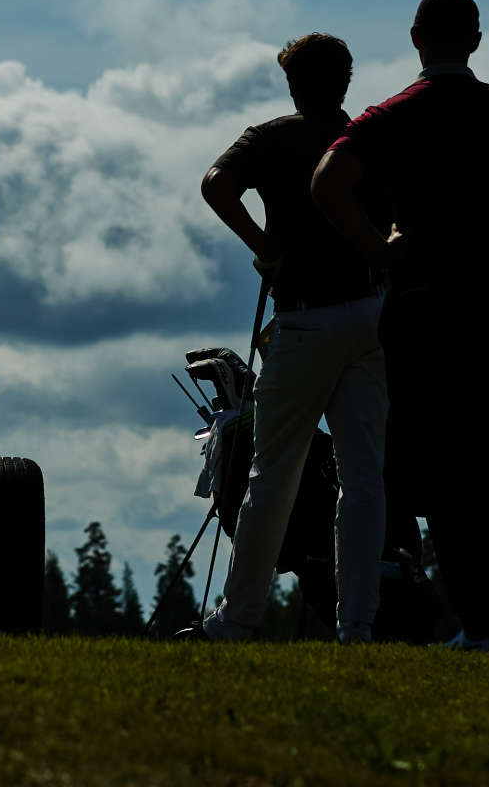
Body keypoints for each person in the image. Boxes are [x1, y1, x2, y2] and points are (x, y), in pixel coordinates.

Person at [311, 0, 489, 658]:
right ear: (475, 40)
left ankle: (476, 625)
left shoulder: (391, 117)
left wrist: (374, 249)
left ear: (416, 37)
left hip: (419, 309)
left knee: (438, 474)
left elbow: (327, 182)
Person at [192, 33, 389, 643]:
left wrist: (264, 246)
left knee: (271, 473)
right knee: (364, 479)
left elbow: (214, 184)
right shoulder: (375, 138)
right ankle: (356, 624)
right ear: (347, 80)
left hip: (304, 319)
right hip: (373, 316)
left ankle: (242, 618)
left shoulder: (270, 137)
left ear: (292, 82)